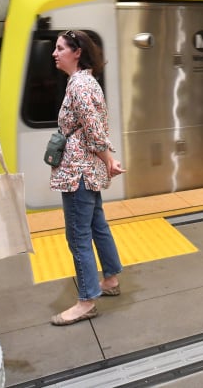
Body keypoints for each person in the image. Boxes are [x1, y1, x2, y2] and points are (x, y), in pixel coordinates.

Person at [49, 29, 126, 326]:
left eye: (60, 48)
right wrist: (106, 158)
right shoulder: (87, 81)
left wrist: (108, 158)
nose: (55, 54)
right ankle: (110, 278)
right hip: (87, 169)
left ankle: (86, 301)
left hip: (77, 172)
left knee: (78, 236)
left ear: (76, 52)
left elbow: (94, 129)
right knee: (97, 225)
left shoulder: (78, 85)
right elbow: (93, 128)